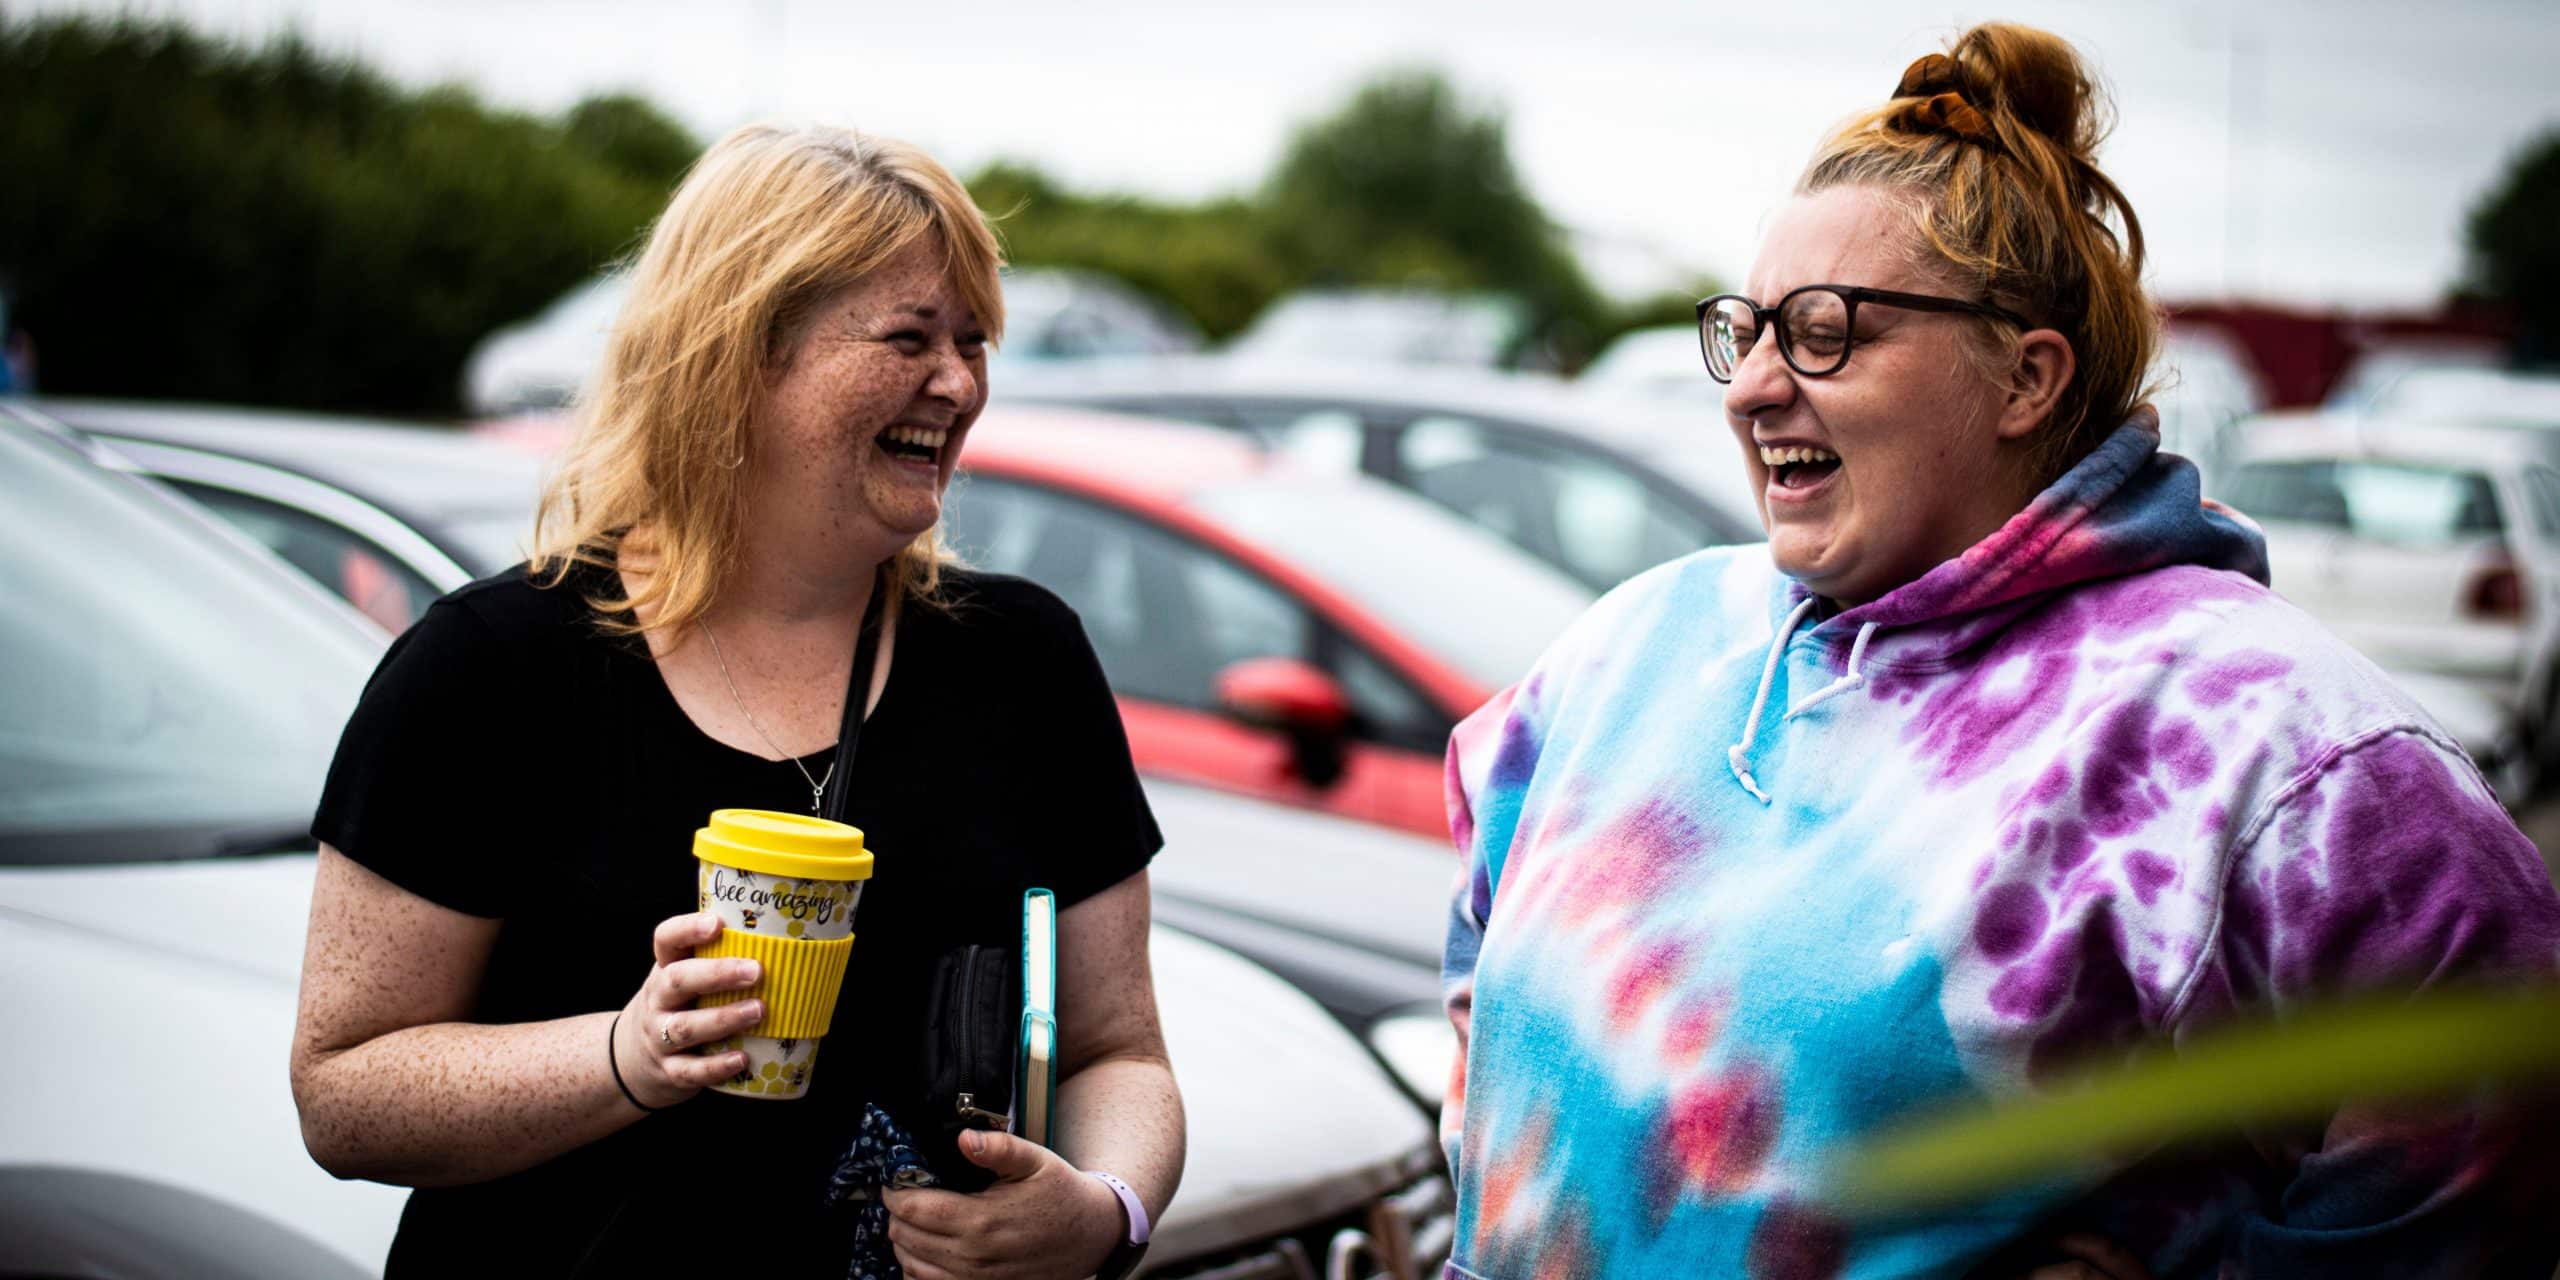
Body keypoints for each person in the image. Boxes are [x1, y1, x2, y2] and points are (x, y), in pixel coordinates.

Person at [1438, 23, 2560, 1279]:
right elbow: (1480, 956)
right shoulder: (1636, 643)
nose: (1751, 386)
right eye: (1745, 328)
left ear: (2024, 378)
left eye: (1825, 331)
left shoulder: (2271, 740)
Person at [289, 123, 1183, 1278]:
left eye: (972, 342)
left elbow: (1123, 1052)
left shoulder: (1021, 659)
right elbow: (343, 1090)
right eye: (909, 337)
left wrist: (1103, 1209)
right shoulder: (492, 667)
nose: (959, 384)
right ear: (737, 357)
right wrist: (625, 1054)